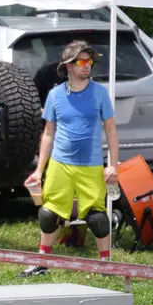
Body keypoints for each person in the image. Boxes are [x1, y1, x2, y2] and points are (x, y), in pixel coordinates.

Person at [20, 40, 119, 278]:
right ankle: (42, 262)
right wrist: (39, 169)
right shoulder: (55, 95)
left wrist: (113, 165)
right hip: (60, 164)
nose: (87, 66)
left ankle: (105, 266)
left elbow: (112, 132)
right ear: (68, 66)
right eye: (81, 62)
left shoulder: (99, 93)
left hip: (91, 165)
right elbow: (48, 133)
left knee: (97, 218)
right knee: (49, 214)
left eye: (90, 62)